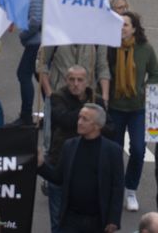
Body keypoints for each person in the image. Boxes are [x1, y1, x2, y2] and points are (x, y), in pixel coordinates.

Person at [38, 103, 124, 233]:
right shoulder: (69, 146)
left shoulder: (113, 151)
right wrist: (41, 165)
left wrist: (114, 219)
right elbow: (58, 178)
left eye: (85, 119)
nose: (79, 122)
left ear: (97, 125)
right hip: (71, 219)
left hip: (98, 221)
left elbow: (117, 187)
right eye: (79, 117)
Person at [109, 12, 158, 211]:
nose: (122, 28)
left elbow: (155, 74)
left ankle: (131, 189)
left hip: (138, 108)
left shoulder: (145, 49)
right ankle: (114, 188)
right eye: (120, 24)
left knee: (138, 150)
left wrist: (146, 88)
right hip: (115, 107)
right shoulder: (110, 48)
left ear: (134, 28)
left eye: (126, 24)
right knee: (114, 151)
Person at [44, 65, 96, 232]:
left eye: (80, 80)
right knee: (58, 217)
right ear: (66, 81)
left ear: (87, 82)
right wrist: (90, 113)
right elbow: (64, 120)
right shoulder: (57, 97)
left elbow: (109, 127)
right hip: (60, 162)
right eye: (72, 80)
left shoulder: (96, 99)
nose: (76, 84)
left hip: (86, 167)